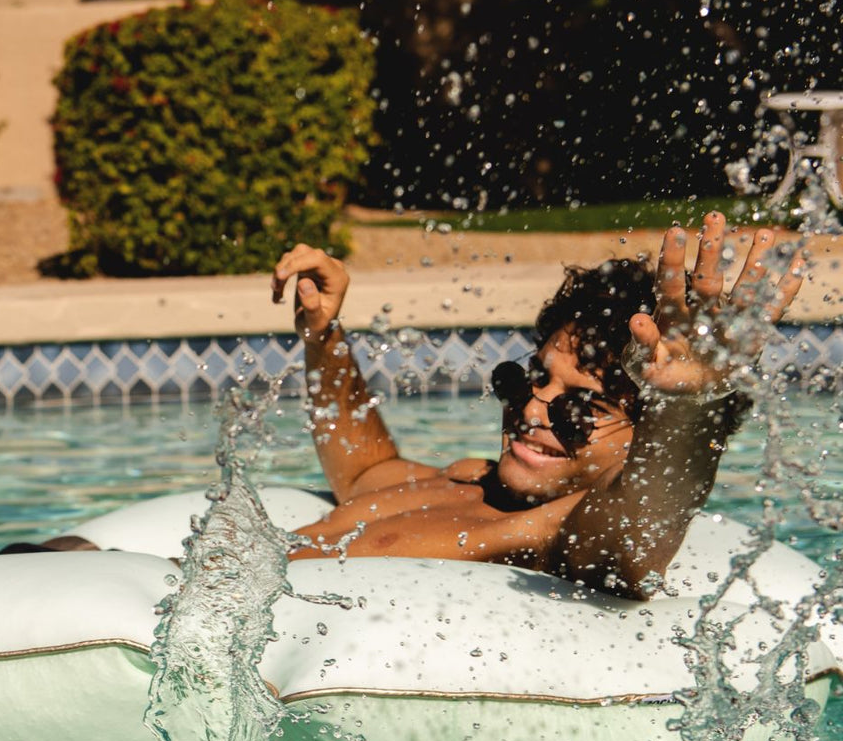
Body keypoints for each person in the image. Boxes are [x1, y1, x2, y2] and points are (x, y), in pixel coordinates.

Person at [272, 212, 805, 597]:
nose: (530, 412)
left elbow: (648, 513)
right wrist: (323, 334)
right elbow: (367, 470)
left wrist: (688, 404)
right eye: (528, 380)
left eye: (579, 409)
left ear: (640, 438)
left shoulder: (566, 529)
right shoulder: (475, 478)